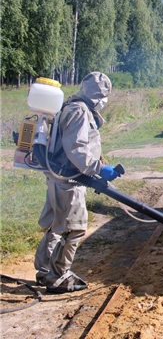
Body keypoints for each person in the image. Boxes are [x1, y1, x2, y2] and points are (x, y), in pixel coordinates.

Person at [34, 72, 122, 293]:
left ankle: (45, 270)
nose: (105, 101)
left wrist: (100, 161)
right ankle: (58, 277)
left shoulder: (72, 106)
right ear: (97, 95)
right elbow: (77, 148)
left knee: (57, 223)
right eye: (104, 96)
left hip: (60, 174)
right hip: (69, 178)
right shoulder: (79, 111)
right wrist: (98, 169)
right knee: (73, 228)